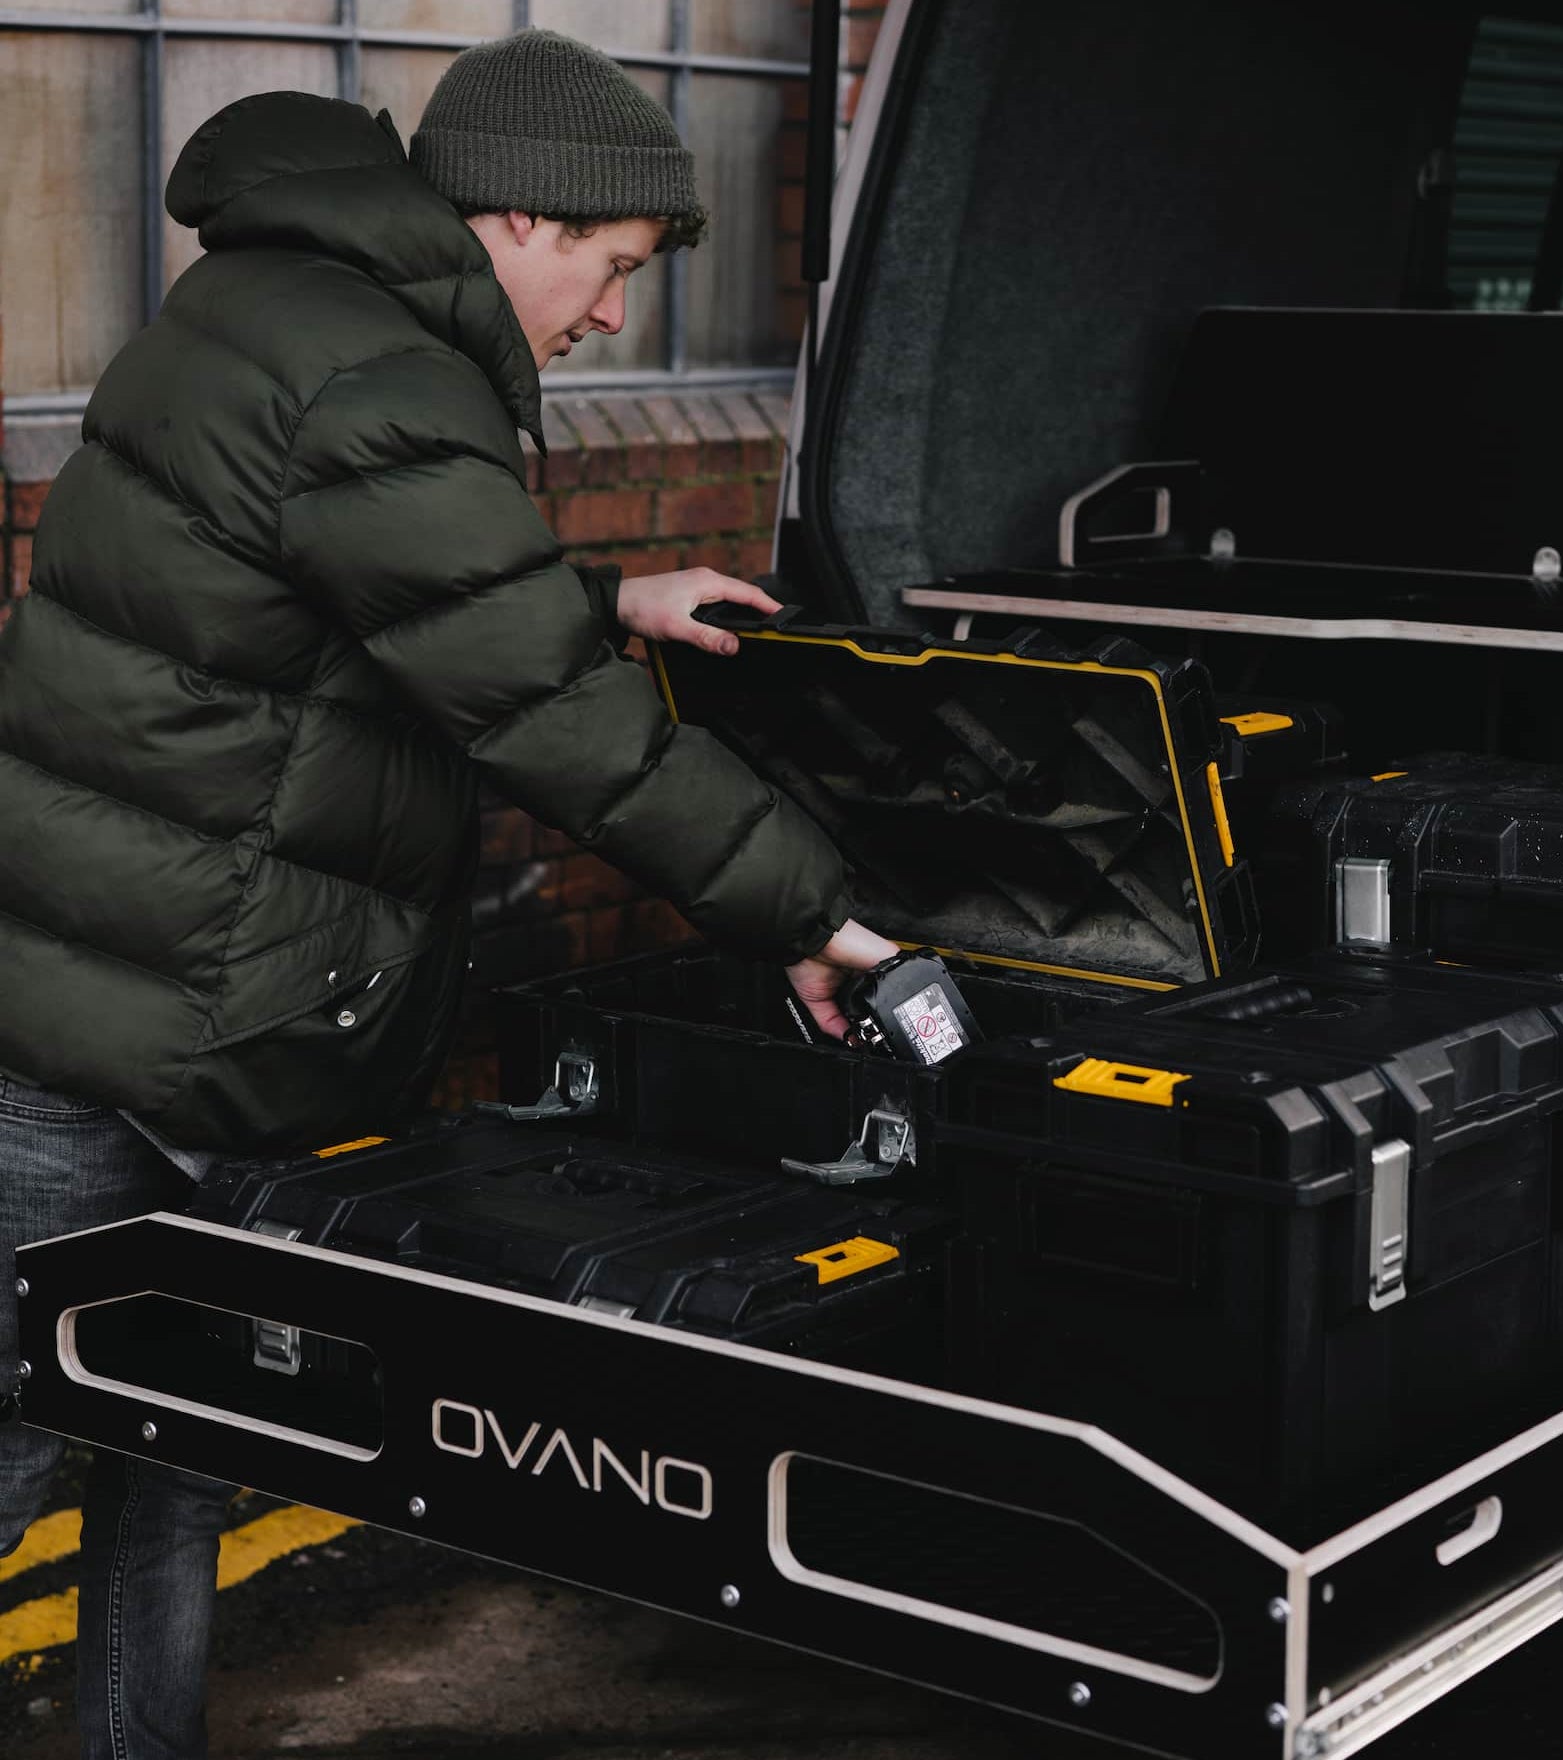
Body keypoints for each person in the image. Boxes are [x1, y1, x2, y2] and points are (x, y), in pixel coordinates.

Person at [0, 28, 893, 1758]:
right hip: (203, 1016)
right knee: (125, 1443)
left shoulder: (277, 310)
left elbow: (354, 576)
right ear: (517, 220)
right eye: (615, 270)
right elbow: (552, 724)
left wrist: (601, 595)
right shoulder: (386, 380)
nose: (617, 320)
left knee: (132, 1432)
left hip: (73, 978)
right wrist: (811, 913)